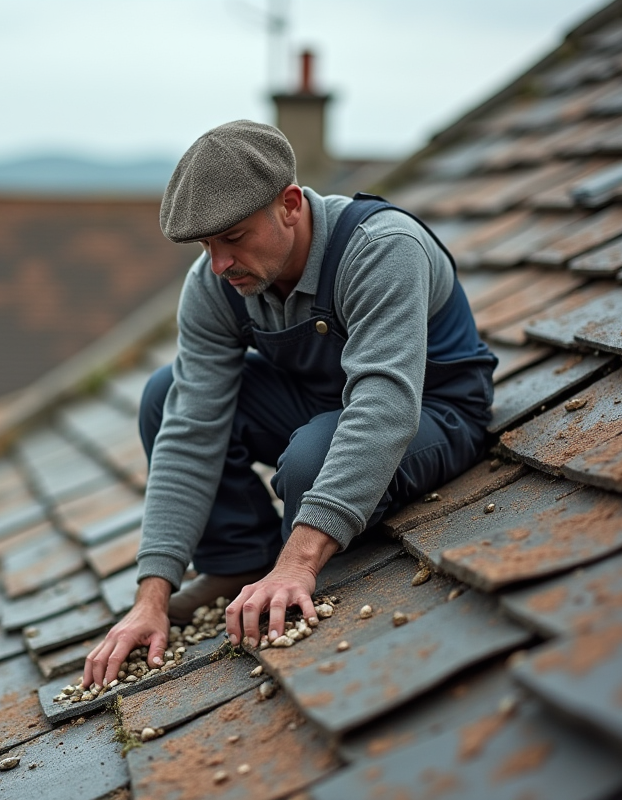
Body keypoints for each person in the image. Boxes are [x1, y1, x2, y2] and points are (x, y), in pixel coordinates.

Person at [82, 120, 495, 689]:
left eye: (233, 237)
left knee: (310, 463)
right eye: (206, 246)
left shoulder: (380, 250)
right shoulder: (215, 284)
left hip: (430, 408)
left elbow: (383, 404)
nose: (220, 264)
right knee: (163, 394)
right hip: (322, 406)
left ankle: (299, 550)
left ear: (291, 204)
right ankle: (238, 563)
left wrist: (297, 563)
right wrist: (152, 596)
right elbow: (190, 430)